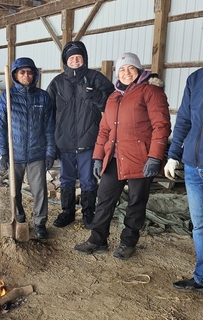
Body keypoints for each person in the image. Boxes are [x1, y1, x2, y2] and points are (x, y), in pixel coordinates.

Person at [74, 52, 171, 259]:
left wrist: (155, 156)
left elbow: (161, 126)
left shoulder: (151, 92)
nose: (126, 73)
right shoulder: (114, 96)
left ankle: (128, 242)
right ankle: (97, 239)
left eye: (130, 68)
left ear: (138, 70)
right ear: (117, 73)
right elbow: (104, 130)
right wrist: (98, 157)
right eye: (122, 69)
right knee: (104, 199)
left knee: (136, 202)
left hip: (140, 159)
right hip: (115, 158)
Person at [46, 41, 114, 229]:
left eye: (79, 57)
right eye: (72, 58)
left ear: (84, 58)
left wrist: (95, 96)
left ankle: (88, 214)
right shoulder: (57, 83)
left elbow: (112, 104)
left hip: (88, 142)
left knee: (88, 179)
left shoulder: (96, 78)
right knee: (66, 178)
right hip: (64, 143)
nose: (75, 60)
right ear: (65, 61)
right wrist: (50, 143)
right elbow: (48, 113)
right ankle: (67, 212)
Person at [0, 57, 56, 240]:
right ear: (15, 75)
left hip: (37, 152)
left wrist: (50, 151)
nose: (26, 75)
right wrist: (2, 152)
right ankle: (19, 219)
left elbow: (50, 127)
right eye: (22, 72)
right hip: (15, 153)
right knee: (15, 190)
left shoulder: (43, 97)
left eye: (29, 72)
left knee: (40, 191)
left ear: (34, 74)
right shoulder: (7, 96)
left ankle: (40, 223)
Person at [164, 68, 203, 291]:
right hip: (193, 166)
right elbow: (184, 120)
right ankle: (201, 277)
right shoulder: (196, 79)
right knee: (199, 227)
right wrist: (173, 155)